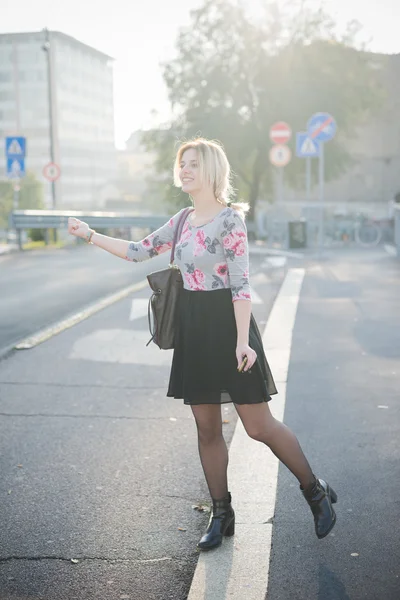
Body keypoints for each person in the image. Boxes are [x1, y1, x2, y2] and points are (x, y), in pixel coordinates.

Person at [68, 138, 337, 550]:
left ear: (212, 170)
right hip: (194, 328)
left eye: (193, 163)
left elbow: (241, 282)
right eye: (182, 164)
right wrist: (90, 234)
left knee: (258, 425)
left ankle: (314, 491)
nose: (185, 170)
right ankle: (221, 512)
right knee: (207, 428)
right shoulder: (180, 221)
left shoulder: (230, 221)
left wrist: (242, 341)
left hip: (230, 327)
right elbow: (139, 251)